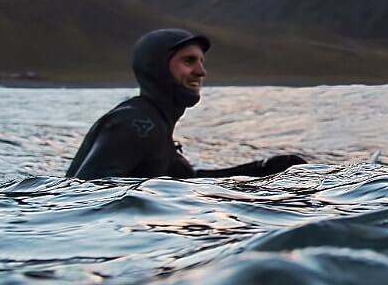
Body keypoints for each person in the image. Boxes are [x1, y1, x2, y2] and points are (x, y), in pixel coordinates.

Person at [67, 28, 305, 180]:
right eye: (189, 61)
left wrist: (263, 170)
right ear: (157, 66)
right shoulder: (136, 125)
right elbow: (86, 195)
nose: (201, 71)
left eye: (201, 61)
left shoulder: (155, 126)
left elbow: (186, 181)